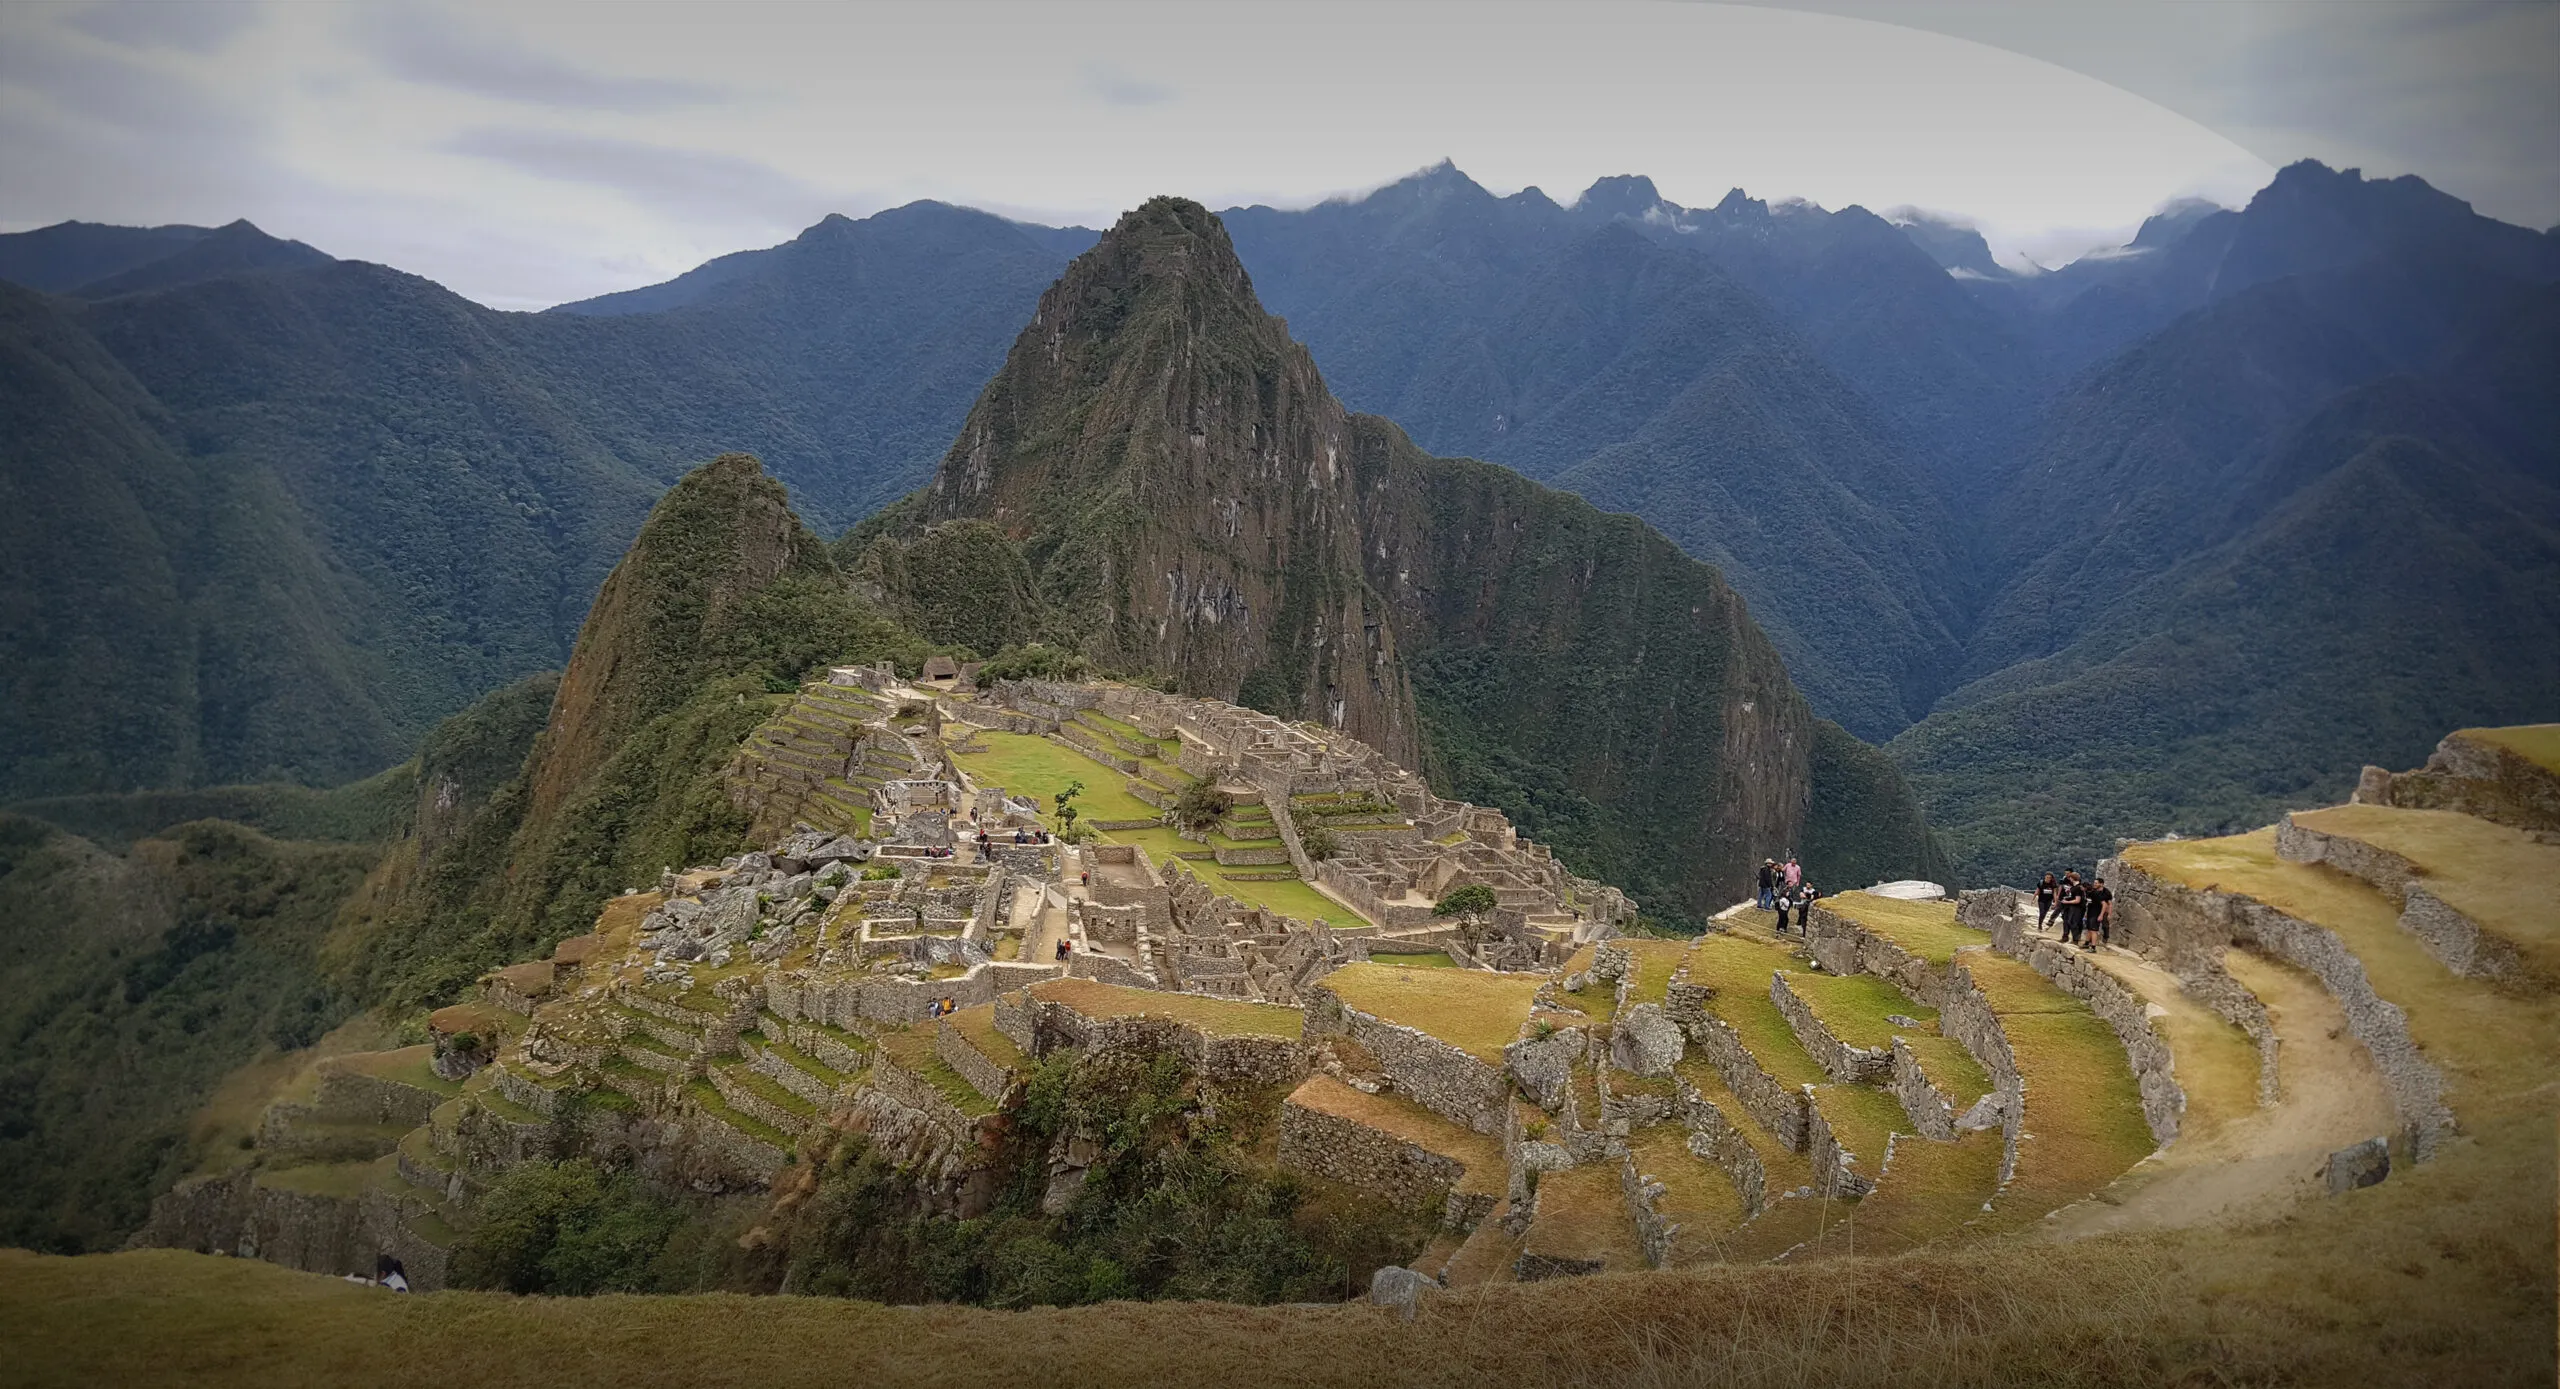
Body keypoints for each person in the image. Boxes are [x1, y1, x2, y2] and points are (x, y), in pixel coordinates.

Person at [2086, 876, 2115, 950]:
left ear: (2101, 884)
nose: (2094, 884)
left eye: (2096, 883)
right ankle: (2088, 942)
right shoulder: (2094, 891)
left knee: (2105, 926)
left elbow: (2109, 904)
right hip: (2094, 911)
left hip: (2104, 911)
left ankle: (2105, 940)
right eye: (2094, 883)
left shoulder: (2106, 892)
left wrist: (2109, 914)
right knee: (2091, 927)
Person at [2057, 875, 2086, 946]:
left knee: (2073, 922)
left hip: (2076, 907)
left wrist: (2067, 902)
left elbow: (2077, 900)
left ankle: (2075, 939)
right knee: (2067, 921)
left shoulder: (2078, 888)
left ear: (2072, 878)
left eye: (2070, 878)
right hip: (2070, 907)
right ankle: (2067, 937)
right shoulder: (2074, 887)